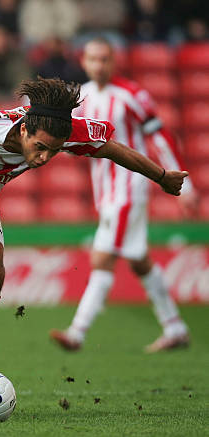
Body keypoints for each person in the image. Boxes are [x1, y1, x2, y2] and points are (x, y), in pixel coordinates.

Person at [0, 77, 188, 406]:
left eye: (53, 151)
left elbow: (110, 148)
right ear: (23, 130)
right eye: (40, 148)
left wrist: (162, 176)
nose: (43, 158)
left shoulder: (58, 131)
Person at [49, 38, 198, 353]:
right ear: (84, 61)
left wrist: (186, 185)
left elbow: (160, 134)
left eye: (104, 59)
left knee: (102, 257)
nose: (98, 65)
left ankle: (77, 332)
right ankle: (175, 327)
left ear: (113, 61)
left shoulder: (131, 94)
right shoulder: (84, 97)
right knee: (139, 260)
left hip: (129, 187)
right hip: (105, 190)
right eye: (92, 59)